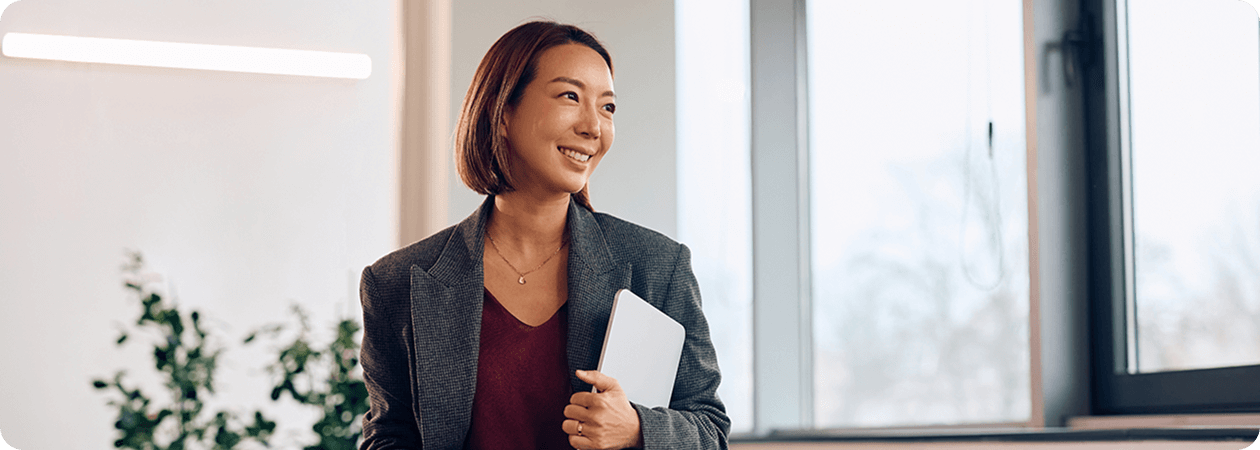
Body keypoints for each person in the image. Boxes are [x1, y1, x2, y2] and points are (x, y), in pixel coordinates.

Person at [358, 20, 729, 450]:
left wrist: (637, 430)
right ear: (502, 114)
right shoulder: (397, 282)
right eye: (570, 96)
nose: (594, 127)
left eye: (607, 107)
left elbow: (709, 428)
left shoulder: (658, 267)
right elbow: (389, 436)